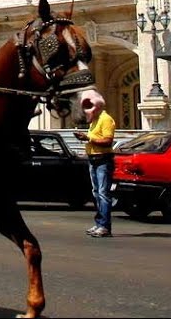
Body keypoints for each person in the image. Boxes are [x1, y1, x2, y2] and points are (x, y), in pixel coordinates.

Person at [73, 89, 116, 238]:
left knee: (103, 194)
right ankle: (99, 223)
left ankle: (105, 226)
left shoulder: (106, 119)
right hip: (93, 159)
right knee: (96, 193)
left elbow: (108, 141)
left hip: (103, 160)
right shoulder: (95, 121)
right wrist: (84, 138)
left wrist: (88, 138)